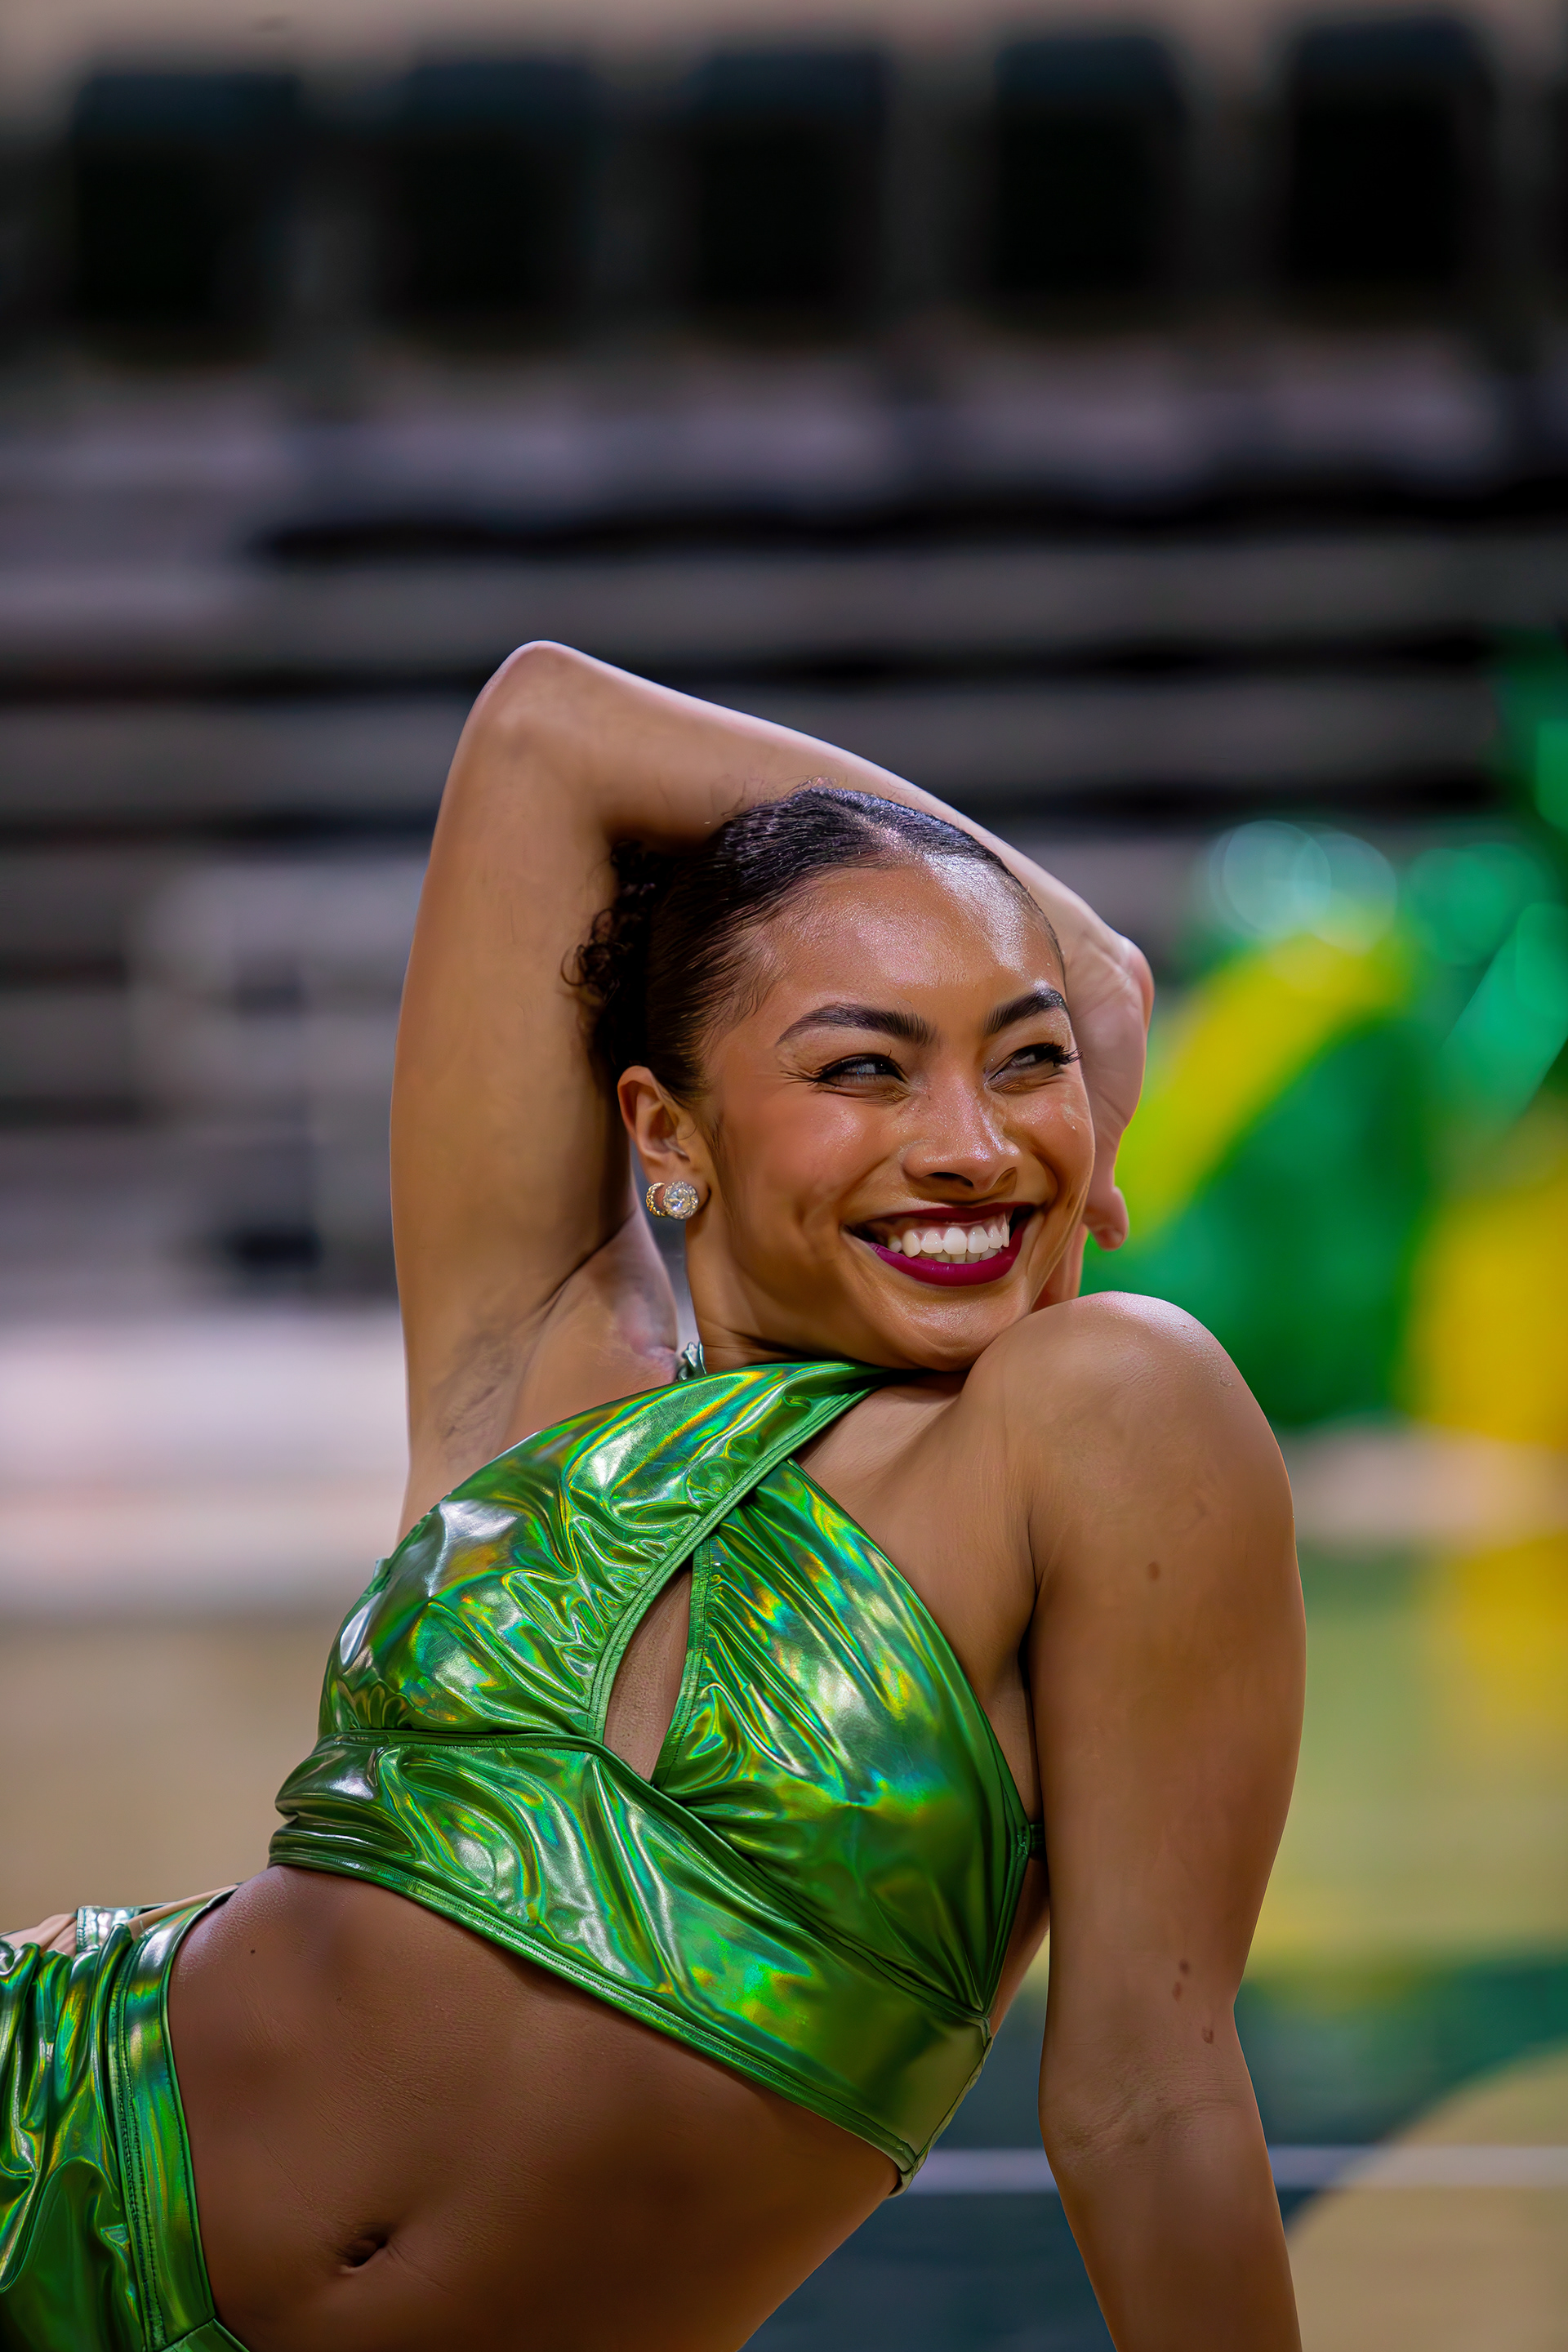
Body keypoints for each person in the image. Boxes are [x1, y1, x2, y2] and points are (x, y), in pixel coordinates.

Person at [0, 644, 1304, 2352]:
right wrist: (1061, 928)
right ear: (668, 1133)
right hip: (50, 2124)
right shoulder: (551, 1371)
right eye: (867, 1068)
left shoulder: (1099, 1418)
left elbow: (1150, 2099)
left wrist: (1036, 947)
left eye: (1029, 1058)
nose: (974, 1147)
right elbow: (544, 732)